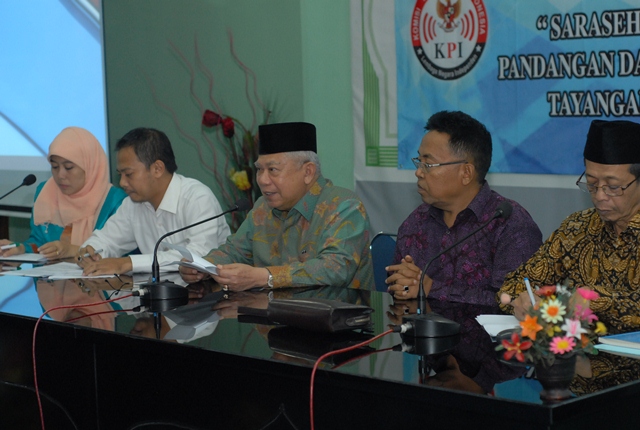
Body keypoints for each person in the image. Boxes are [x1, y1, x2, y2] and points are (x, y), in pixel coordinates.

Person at [180, 122, 374, 290]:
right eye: (259, 169)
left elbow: (335, 269)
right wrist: (202, 266)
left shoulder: (344, 206)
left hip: (340, 318)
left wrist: (265, 277)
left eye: (273, 170)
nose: (262, 180)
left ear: (308, 172)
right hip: (276, 316)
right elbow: (235, 251)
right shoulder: (263, 208)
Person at [386, 111, 542, 307]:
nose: (418, 172)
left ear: (466, 172)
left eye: (428, 164)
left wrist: (431, 288)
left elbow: (516, 303)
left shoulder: (509, 225)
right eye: (419, 162)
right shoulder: (416, 222)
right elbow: (397, 291)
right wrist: (402, 285)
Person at [499, 119, 640, 334]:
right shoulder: (578, 228)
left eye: (613, 187)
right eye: (592, 184)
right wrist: (522, 300)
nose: (600, 196)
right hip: (574, 352)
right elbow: (513, 285)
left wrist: (599, 300)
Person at [77, 127, 231, 275]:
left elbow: (200, 254)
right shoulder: (133, 204)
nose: (122, 183)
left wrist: (128, 263)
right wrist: (92, 251)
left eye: (128, 174)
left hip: (211, 289)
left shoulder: (197, 198)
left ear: (157, 169)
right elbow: (106, 239)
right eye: (120, 175)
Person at [0, 127, 126, 260]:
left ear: (90, 165)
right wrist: (21, 249)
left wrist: (73, 250)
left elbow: (123, 255)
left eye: (68, 167)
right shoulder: (45, 192)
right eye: (55, 167)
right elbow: (38, 244)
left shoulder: (115, 201)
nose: (60, 175)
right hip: (51, 273)